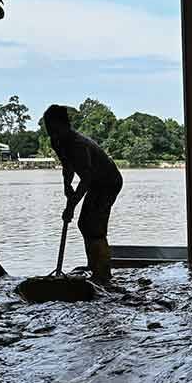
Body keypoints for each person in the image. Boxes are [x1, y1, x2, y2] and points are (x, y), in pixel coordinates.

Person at [42, 104, 123, 283]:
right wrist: (67, 186)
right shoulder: (56, 141)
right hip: (94, 182)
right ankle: (93, 266)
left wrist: (71, 206)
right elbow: (67, 165)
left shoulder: (78, 144)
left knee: (94, 226)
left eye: (54, 128)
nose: (51, 133)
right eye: (48, 128)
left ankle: (102, 273)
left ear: (64, 125)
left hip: (109, 181)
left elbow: (86, 178)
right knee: (84, 224)